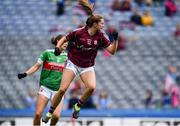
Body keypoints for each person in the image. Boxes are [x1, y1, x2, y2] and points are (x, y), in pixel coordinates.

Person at [43, 0, 119, 121]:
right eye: (102, 23)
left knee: (92, 87)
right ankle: (50, 112)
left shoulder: (101, 36)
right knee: (62, 89)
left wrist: (116, 40)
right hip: (72, 63)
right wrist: (58, 47)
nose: (103, 25)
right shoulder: (79, 32)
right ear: (94, 24)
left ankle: (78, 106)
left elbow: (112, 51)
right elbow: (64, 38)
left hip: (87, 66)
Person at [17, 34, 68, 126]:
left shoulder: (68, 57)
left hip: (58, 91)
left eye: (67, 42)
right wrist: (25, 73)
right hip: (45, 88)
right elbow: (36, 66)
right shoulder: (47, 53)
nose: (66, 43)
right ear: (57, 41)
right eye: (64, 41)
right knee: (37, 114)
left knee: (56, 116)